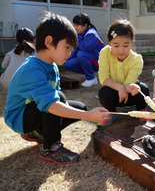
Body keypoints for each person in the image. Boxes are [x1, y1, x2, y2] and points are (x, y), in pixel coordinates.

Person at [4, 11, 109, 165]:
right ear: (49, 42)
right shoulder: (32, 70)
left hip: (34, 110)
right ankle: (50, 147)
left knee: (80, 107)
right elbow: (53, 105)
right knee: (58, 99)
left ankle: (38, 132)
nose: (70, 53)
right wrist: (90, 116)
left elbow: (55, 104)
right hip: (19, 117)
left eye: (71, 49)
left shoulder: (52, 66)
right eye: (67, 47)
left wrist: (85, 113)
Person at [97, 19, 150, 126]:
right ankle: (111, 112)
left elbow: (130, 81)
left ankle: (140, 109)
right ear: (109, 42)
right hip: (114, 94)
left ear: (132, 42)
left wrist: (128, 88)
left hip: (130, 94)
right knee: (103, 93)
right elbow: (103, 78)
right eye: (116, 46)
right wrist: (120, 88)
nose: (121, 50)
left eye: (126, 46)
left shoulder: (136, 59)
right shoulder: (105, 53)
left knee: (143, 89)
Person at [64, 13, 105, 87]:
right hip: (89, 58)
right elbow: (76, 49)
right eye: (74, 25)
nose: (75, 27)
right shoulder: (80, 34)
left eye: (77, 25)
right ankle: (90, 74)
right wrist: (67, 58)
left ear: (85, 25)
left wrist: (76, 38)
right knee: (68, 64)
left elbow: (84, 47)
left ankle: (91, 78)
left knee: (81, 54)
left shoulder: (92, 34)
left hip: (99, 62)